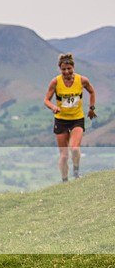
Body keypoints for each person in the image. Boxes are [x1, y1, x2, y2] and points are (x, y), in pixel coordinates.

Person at [44, 53, 96, 181]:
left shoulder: (82, 80)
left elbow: (92, 91)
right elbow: (46, 100)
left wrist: (91, 108)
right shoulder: (55, 82)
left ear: (73, 67)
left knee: (74, 148)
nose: (66, 72)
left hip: (77, 119)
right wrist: (53, 107)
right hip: (61, 120)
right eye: (63, 69)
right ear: (60, 69)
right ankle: (65, 181)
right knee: (64, 155)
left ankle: (76, 173)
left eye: (69, 68)